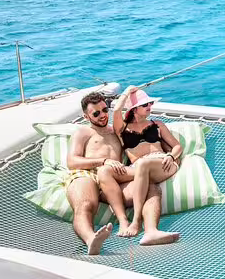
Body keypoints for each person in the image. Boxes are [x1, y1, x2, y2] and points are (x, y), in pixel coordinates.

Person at [66, 91, 179, 254]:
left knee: (151, 187)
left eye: (105, 110)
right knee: (85, 204)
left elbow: (143, 142)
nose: (102, 116)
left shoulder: (118, 131)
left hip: (115, 179)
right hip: (87, 175)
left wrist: (170, 155)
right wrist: (103, 161)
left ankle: (151, 232)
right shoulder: (83, 132)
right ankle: (92, 239)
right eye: (96, 113)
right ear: (86, 116)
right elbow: (72, 162)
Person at [112, 85, 182, 238]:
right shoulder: (122, 129)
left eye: (150, 104)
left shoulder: (157, 125)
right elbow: (116, 111)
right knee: (142, 169)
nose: (149, 106)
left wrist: (170, 156)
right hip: (139, 167)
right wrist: (126, 93)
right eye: (145, 105)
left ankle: (136, 221)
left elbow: (177, 146)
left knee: (143, 165)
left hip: (163, 163)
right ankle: (150, 231)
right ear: (134, 110)